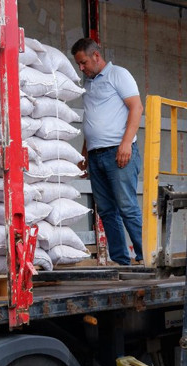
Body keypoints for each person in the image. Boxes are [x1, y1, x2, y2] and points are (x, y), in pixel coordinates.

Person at [71, 38, 144, 266]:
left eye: (83, 62)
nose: (81, 68)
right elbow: (90, 122)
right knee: (106, 211)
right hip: (96, 155)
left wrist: (125, 143)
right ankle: (122, 261)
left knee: (127, 206)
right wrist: (84, 154)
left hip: (118, 152)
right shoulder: (89, 84)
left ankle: (146, 257)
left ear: (96, 56)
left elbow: (136, 107)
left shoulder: (118, 75)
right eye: (78, 64)